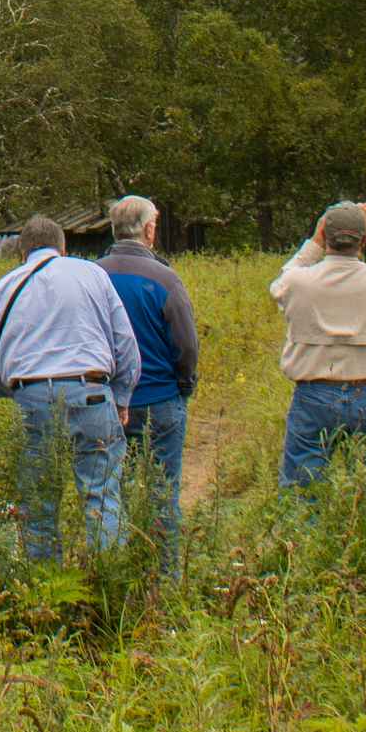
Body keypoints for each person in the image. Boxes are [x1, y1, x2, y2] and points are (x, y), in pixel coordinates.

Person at [0, 214, 141, 559]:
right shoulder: (93, 274)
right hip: (92, 391)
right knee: (102, 495)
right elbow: (126, 345)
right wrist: (121, 398)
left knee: (39, 502)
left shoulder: (5, 286)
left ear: (22, 252)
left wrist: (15, 391)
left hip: (32, 396)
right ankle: (109, 588)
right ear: (64, 247)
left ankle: (45, 595)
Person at [270, 199, 366, 501]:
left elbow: (282, 281)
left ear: (324, 236)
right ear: (364, 240)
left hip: (312, 395)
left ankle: (300, 545)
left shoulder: (298, 282)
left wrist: (313, 245)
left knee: (302, 493)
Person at [96, 194, 201, 549]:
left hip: (107, 400)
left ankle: (118, 569)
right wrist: (184, 385)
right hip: (160, 398)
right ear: (150, 230)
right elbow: (186, 345)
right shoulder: (165, 278)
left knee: (112, 493)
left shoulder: (93, 276)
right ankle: (164, 575)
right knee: (163, 492)